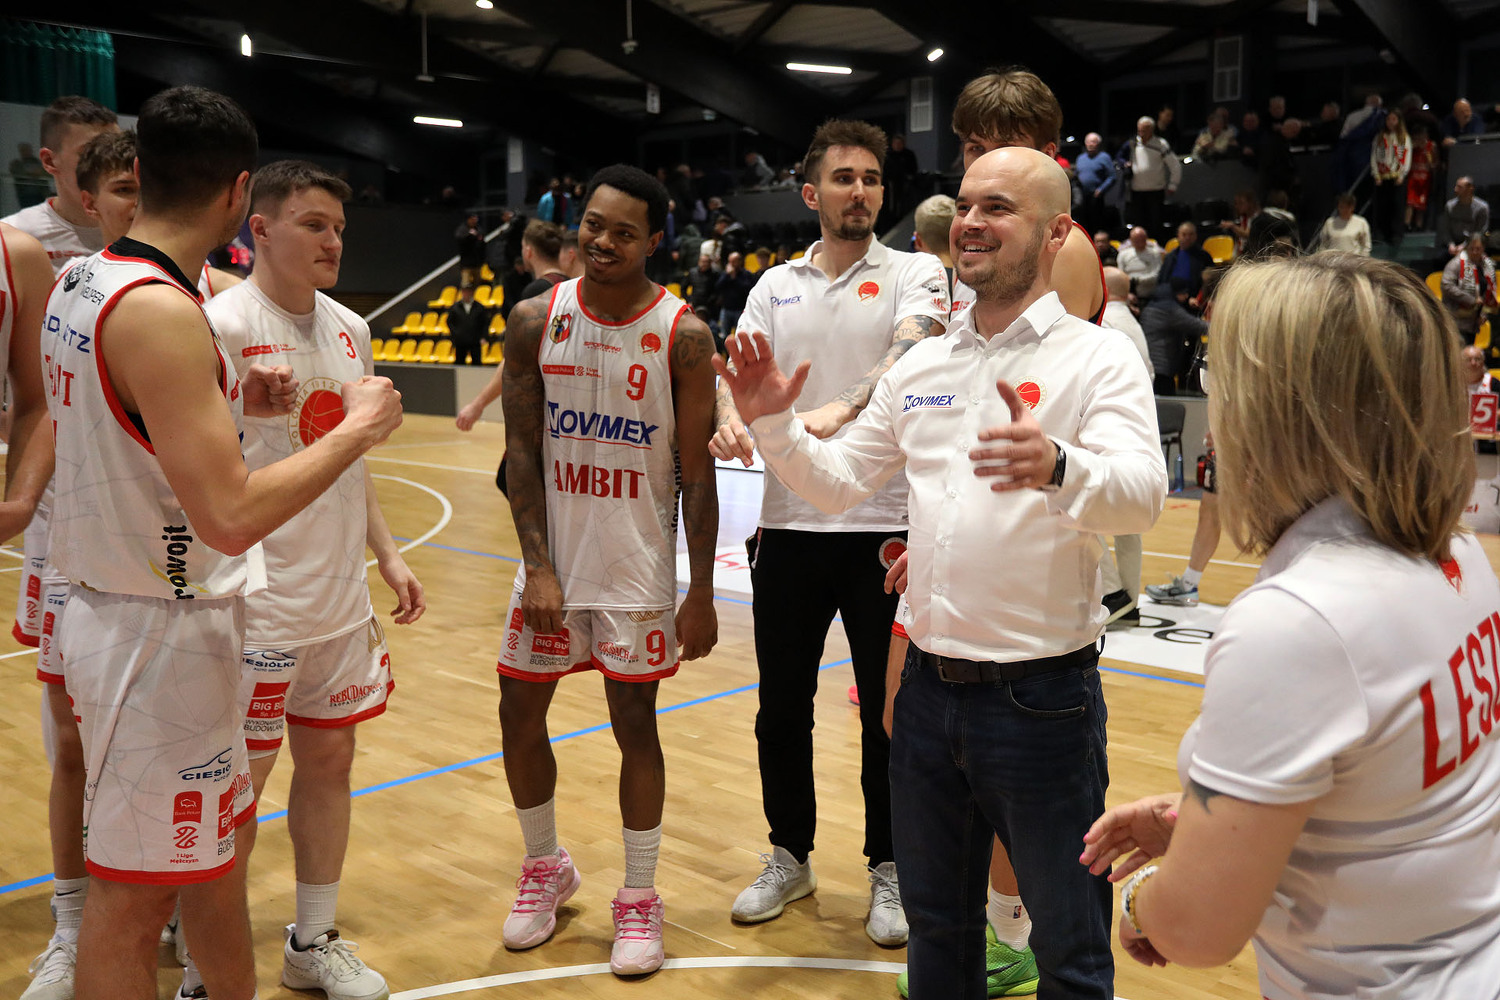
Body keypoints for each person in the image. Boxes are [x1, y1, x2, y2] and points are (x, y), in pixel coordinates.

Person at [717, 144, 1164, 1000]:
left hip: (1043, 701)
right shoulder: (922, 366)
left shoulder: (1096, 357)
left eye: (998, 207)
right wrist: (774, 427)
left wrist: (1058, 464)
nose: (971, 223)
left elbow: (1142, 496)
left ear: (1056, 233)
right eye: (964, 205)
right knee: (939, 938)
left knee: (1071, 952)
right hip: (926, 697)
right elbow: (839, 483)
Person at [45, 84, 403, 1000]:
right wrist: (360, 428)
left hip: (128, 605)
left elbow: (133, 435)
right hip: (153, 628)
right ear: (243, 195)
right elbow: (230, 516)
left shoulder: (81, 280)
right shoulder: (167, 311)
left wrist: (236, 407)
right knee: (134, 906)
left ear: (139, 171)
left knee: (206, 867)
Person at [1080, 252, 1500, 998]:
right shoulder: (1458, 552)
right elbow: (1389, 792)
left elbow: (1197, 931)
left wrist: (1143, 899)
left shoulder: (1298, 622)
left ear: (1284, 412)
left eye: (1221, 380)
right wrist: (1206, 825)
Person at [888, 68, 1116, 999]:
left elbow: (1029, 407)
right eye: (970, 153)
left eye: (995, 152)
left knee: (1047, 862)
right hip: (970, 568)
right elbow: (951, 393)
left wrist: (1048, 468)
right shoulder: (982, 256)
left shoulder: (1057, 258)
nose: (975, 174)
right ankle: (997, 924)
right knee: (918, 730)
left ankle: (1011, 928)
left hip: (1039, 598)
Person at [710, 119, 949, 949]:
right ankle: (790, 854)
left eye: (872, 178)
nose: (861, 191)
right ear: (811, 193)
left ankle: (890, 864)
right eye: (845, 178)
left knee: (890, 713)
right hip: (789, 524)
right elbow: (738, 375)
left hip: (886, 526)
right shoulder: (774, 285)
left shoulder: (917, 272)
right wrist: (729, 416)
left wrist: (840, 408)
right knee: (782, 706)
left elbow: (914, 355)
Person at [202, 158, 422, 1000]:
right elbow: (192, 470)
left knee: (330, 764)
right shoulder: (218, 325)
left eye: (339, 227)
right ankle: (206, 960)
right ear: (258, 228)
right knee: (239, 792)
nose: (333, 241)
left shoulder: (351, 328)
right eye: (313, 224)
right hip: (254, 607)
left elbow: (348, 458)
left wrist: (387, 553)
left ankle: (312, 939)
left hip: (336, 601)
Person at [495, 164, 719, 977]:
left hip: (636, 569)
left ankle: (640, 895)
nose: (603, 241)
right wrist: (538, 566)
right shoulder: (534, 319)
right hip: (553, 564)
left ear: (654, 241)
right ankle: (544, 865)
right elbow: (522, 450)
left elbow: (697, 472)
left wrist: (700, 591)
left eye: (624, 232)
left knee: (635, 725)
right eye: (594, 224)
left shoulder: (683, 335)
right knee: (518, 712)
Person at [2, 221, 65, 1000]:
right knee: (70, 740)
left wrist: (19, 498)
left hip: (153, 553)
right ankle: (75, 919)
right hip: (65, 535)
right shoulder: (35, 249)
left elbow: (36, 398)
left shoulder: (17, 260)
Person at [455, 219, 573, 432]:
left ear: (528, 251)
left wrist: (477, 405)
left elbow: (514, 360)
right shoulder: (573, 286)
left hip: (542, 407)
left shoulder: (536, 292)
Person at [2, 96, 118, 277]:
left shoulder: (144, 226)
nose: (111, 163)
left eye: (118, 150)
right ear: (50, 161)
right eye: (91, 152)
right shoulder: (12, 236)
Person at [1119, 116, 1181, 240]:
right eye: (1139, 130)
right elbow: (1119, 156)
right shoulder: (1132, 143)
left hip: (1155, 192)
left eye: (1144, 131)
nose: (1141, 134)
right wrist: (1124, 164)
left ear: (1151, 130)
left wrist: (1173, 184)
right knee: (1139, 226)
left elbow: (1175, 165)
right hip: (1137, 192)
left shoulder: (1161, 144)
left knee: (1155, 225)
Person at [1441, 233, 1496, 345]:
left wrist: (1483, 314)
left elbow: (1488, 291)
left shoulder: (1487, 265)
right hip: (1456, 317)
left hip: (1473, 319)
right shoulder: (1456, 263)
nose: (1475, 252)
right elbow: (1446, 285)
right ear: (1467, 248)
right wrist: (1471, 299)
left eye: (1478, 249)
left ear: (1483, 248)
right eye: (1472, 248)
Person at [1370, 110, 1411, 245]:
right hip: (1383, 177)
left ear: (1398, 121)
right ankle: (1382, 233)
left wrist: (1402, 174)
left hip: (1397, 177)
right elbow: (1374, 156)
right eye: (1388, 119)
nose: (1391, 122)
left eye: (1394, 119)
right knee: (1383, 206)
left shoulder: (1404, 137)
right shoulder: (1380, 137)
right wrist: (1376, 174)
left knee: (1397, 207)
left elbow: (1407, 157)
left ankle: (1396, 234)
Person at [1072, 133, 1115, 235]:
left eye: (1093, 142)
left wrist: (1101, 189)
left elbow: (1112, 176)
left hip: (1096, 196)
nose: (1090, 144)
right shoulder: (1080, 158)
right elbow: (1076, 175)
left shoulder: (1104, 157)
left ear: (1098, 144)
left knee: (1096, 224)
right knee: (1083, 223)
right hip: (1081, 197)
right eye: (1088, 142)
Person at [714, 250, 756, 339]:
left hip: (740, 310)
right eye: (730, 262)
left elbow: (747, 289)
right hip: (726, 309)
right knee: (724, 336)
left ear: (740, 261)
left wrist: (734, 278)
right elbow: (717, 287)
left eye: (734, 261)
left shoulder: (746, 274)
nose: (731, 264)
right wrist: (727, 275)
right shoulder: (725, 274)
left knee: (740, 336)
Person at [1444, 176, 1490, 256]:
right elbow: (1445, 229)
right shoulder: (1450, 206)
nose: (1455, 190)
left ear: (1470, 189)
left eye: (1460, 187)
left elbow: (1480, 232)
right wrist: (1450, 244)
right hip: (1453, 244)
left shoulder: (1482, 208)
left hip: (1473, 245)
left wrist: (1464, 246)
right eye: (1456, 186)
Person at [446, 282, 490, 364]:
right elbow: (450, 322)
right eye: (465, 291)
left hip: (475, 340)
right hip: (460, 341)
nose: (467, 293)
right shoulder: (455, 307)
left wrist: (483, 336)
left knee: (476, 363)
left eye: (469, 291)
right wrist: (456, 334)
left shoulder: (479, 307)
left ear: (472, 292)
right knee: (459, 362)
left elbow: (485, 323)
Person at [1117, 225, 1162, 299]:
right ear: (1131, 240)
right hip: (1129, 292)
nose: (1140, 242)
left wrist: (1137, 280)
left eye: (1142, 239)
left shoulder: (1155, 253)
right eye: (1136, 240)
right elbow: (1121, 276)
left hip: (1149, 291)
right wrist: (1127, 293)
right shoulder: (1123, 254)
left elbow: (1157, 274)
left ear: (1146, 238)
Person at [1406, 125, 1437, 231]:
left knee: (1421, 205)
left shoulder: (1431, 146)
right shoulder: (1410, 145)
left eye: (1424, 135)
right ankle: (1407, 225)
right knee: (1410, 203)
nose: (1421, 138)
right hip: (1412, 178)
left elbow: (1435, 163)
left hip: (1424, 179)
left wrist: (1430, 162)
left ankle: (1418, 227)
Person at [10, 142, 51, 207]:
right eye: (24, 150)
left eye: (28, 150)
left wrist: (39, 172)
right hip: (26, 194)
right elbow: (18, 173)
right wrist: (32, 173)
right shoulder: (17, 163)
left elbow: (47, 173)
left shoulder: (38, 162)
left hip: (41, 193)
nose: (27, 152)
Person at [455, 212, 486, 287]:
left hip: (477, 262)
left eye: (475, 219)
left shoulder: (478, 229)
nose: (474, 221)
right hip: (466, 263)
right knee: (465, 284)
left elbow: (482, 242)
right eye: (472, 219)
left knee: (478, 285)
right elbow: (460, 239)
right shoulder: (462, 229)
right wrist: (469, 235)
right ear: (468, 219)